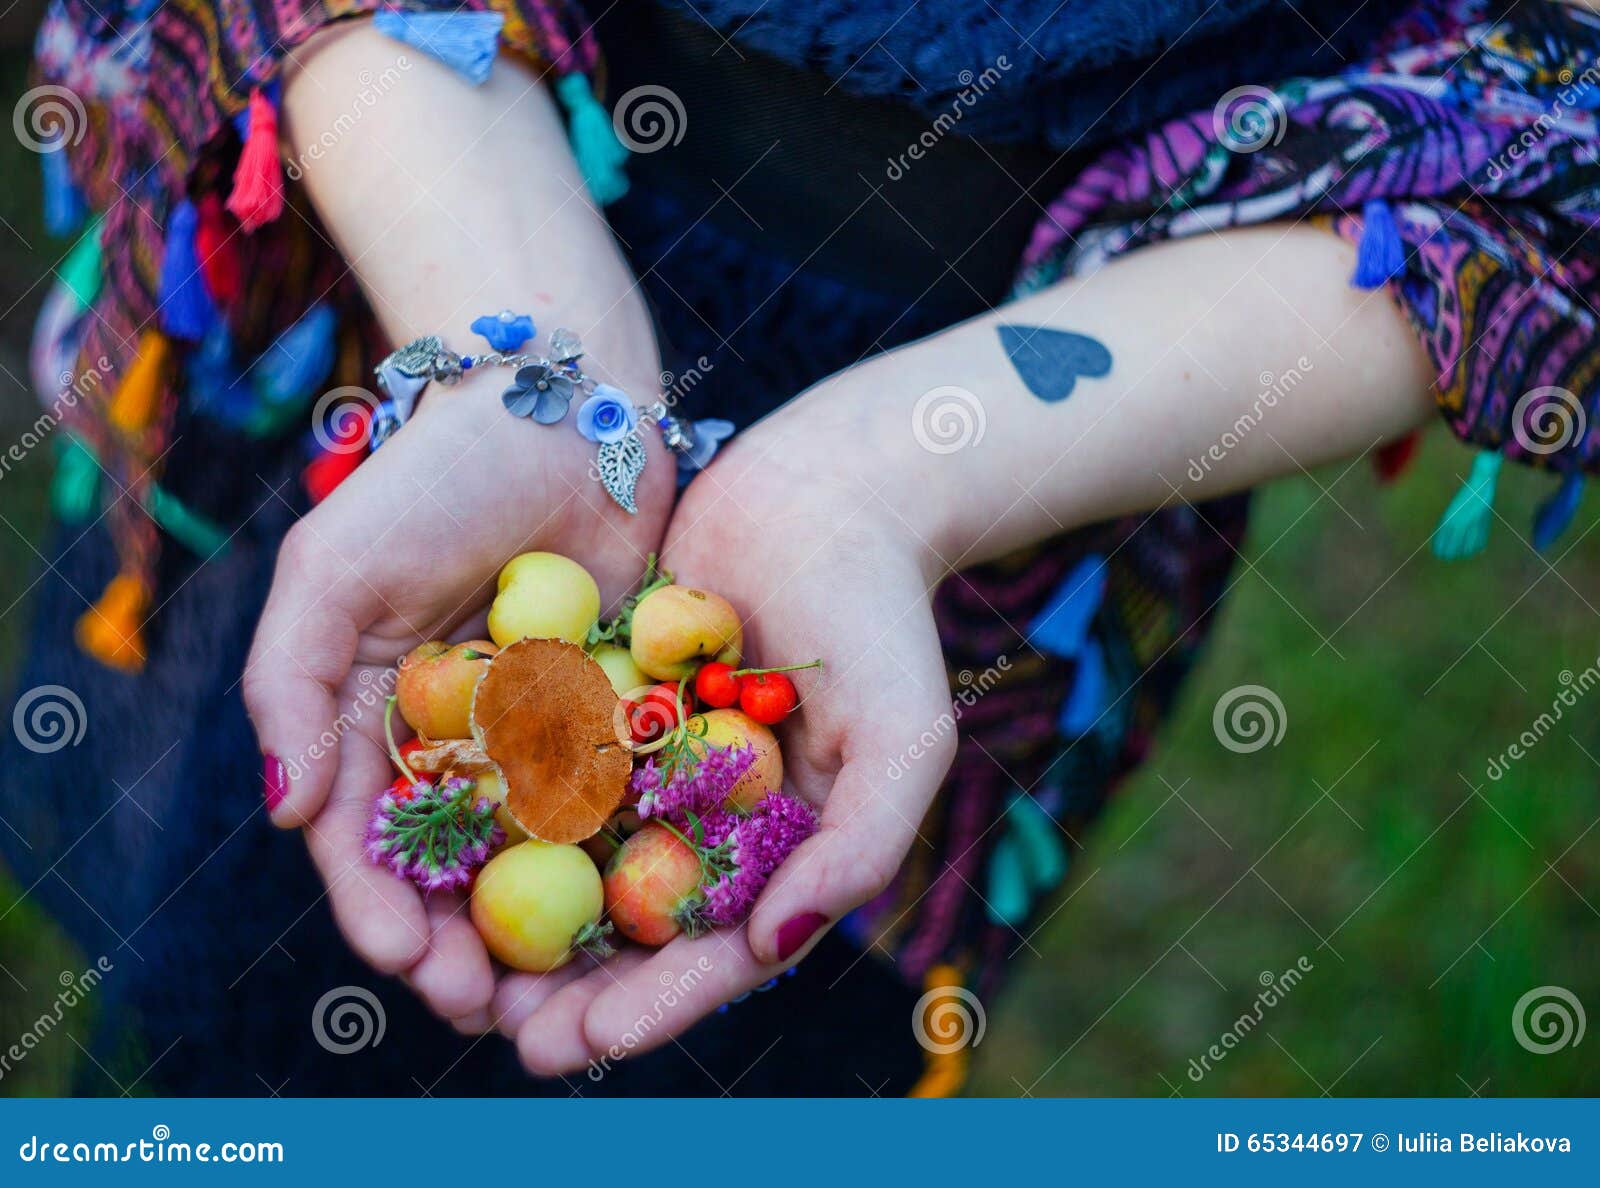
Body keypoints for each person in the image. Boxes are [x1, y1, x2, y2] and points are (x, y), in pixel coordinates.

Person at [5, 0, 1596, 1094]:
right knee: (206, 961)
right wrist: (519, 348)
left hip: (1058, 416)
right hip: (432, 243)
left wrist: (891, 482)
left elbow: (1548, 122)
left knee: (743, 1072)